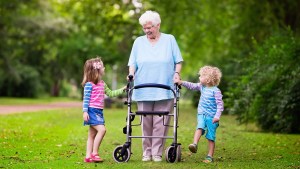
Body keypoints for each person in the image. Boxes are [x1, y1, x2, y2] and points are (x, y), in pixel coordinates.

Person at [127, 10, 183, 162]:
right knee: (145, 122)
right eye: (144, 28)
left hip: (165, 88)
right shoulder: (138, 42)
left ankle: (157, 152)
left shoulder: (170, 39)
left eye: (149, 27)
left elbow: (178, 61)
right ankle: (147, 152)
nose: (147, 31)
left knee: (161, 122)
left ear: (158, 25)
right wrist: (131, 74)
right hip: (143, 87)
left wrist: (177, 74)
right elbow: (132, 62)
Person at [174, 65, 224, 163]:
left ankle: (209, 156)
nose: (199, 77)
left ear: (208, 80)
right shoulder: (202, 87)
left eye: (201, 76)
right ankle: (195, 144)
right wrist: (181, 82)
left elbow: (220, 105)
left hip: (212, 117)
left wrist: (217, 116)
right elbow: (191, 85)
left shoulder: (216, 91)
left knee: (211, 137)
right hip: (202, 114)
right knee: (199, 127)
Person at [81, 57, 126, 163]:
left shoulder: (102, 83)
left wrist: (122, 89)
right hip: (92, 111)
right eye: (102, 66)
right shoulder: (89, 84)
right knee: (102, 130)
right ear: (97, 70)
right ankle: (94, 153)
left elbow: (110, 93)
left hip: (99, 112)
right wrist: (85, 112)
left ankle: (88, 157)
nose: (104, 68)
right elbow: (86, 99)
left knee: (92, 135)